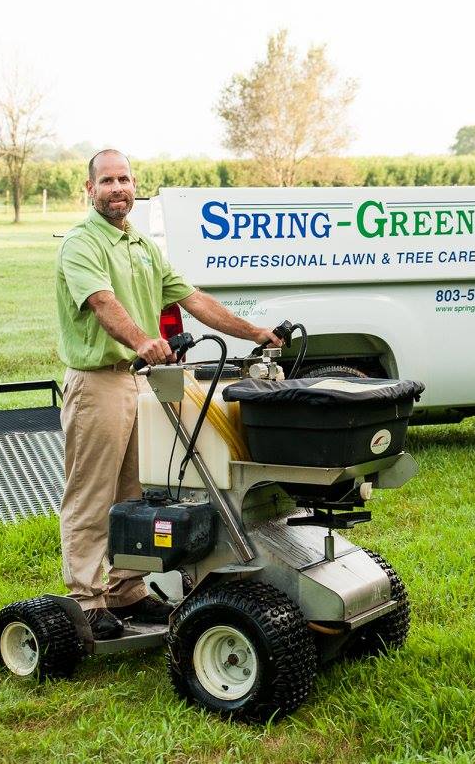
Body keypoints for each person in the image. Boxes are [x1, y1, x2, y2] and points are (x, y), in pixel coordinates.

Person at [55, 149, 282, 640]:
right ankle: (85, 600)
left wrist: (253, 331)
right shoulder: (81, 244)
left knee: (139, 490)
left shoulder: (142, 246)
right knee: (92, 493)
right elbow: (102, 303)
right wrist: (142, 340)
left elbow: (194, 299)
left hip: (143, 382)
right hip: (99, 382)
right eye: (108, 180)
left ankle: (127, 590)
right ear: (90, 189)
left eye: (126, 179)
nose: (118, 188)